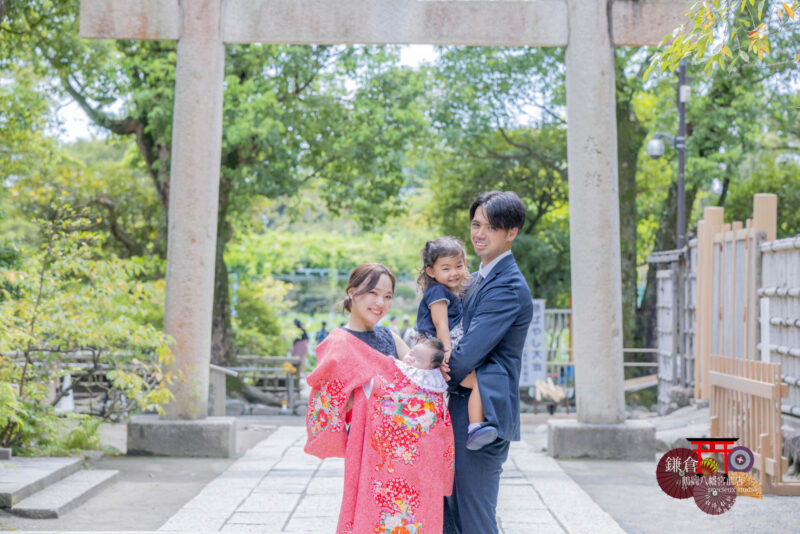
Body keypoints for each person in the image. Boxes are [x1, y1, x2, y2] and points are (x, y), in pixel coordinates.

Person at [304, 263, 454, 534]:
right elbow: (329, 405)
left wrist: (433, 371)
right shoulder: (339, 344)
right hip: (374, 460)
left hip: (411, 462)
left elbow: (416, 384)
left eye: (387, 296)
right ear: (352, 292)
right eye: (373, 293)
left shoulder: (389, 336)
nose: (380, 303)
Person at [443, 191, 533, 534]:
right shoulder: (477, 279)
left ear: (511, 232)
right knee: (452, 514)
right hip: (462, 407)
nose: (479, 234)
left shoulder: (507, 285)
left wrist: (428, 367)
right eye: (475, 224)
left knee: (475, 517)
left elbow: (466, 354)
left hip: (485, 416)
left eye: (490, 227)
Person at [411, 237, 494, 450]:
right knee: (477, 382)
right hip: (437, 349)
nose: (454, 273)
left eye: (458, 265)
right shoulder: (438, 292)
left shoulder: (450, 290)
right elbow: (441, 324)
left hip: (439, 348)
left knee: (471, 383)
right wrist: (446, 352)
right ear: (431, 271)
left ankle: (473, 426)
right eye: (446, 268)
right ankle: (475, 427)